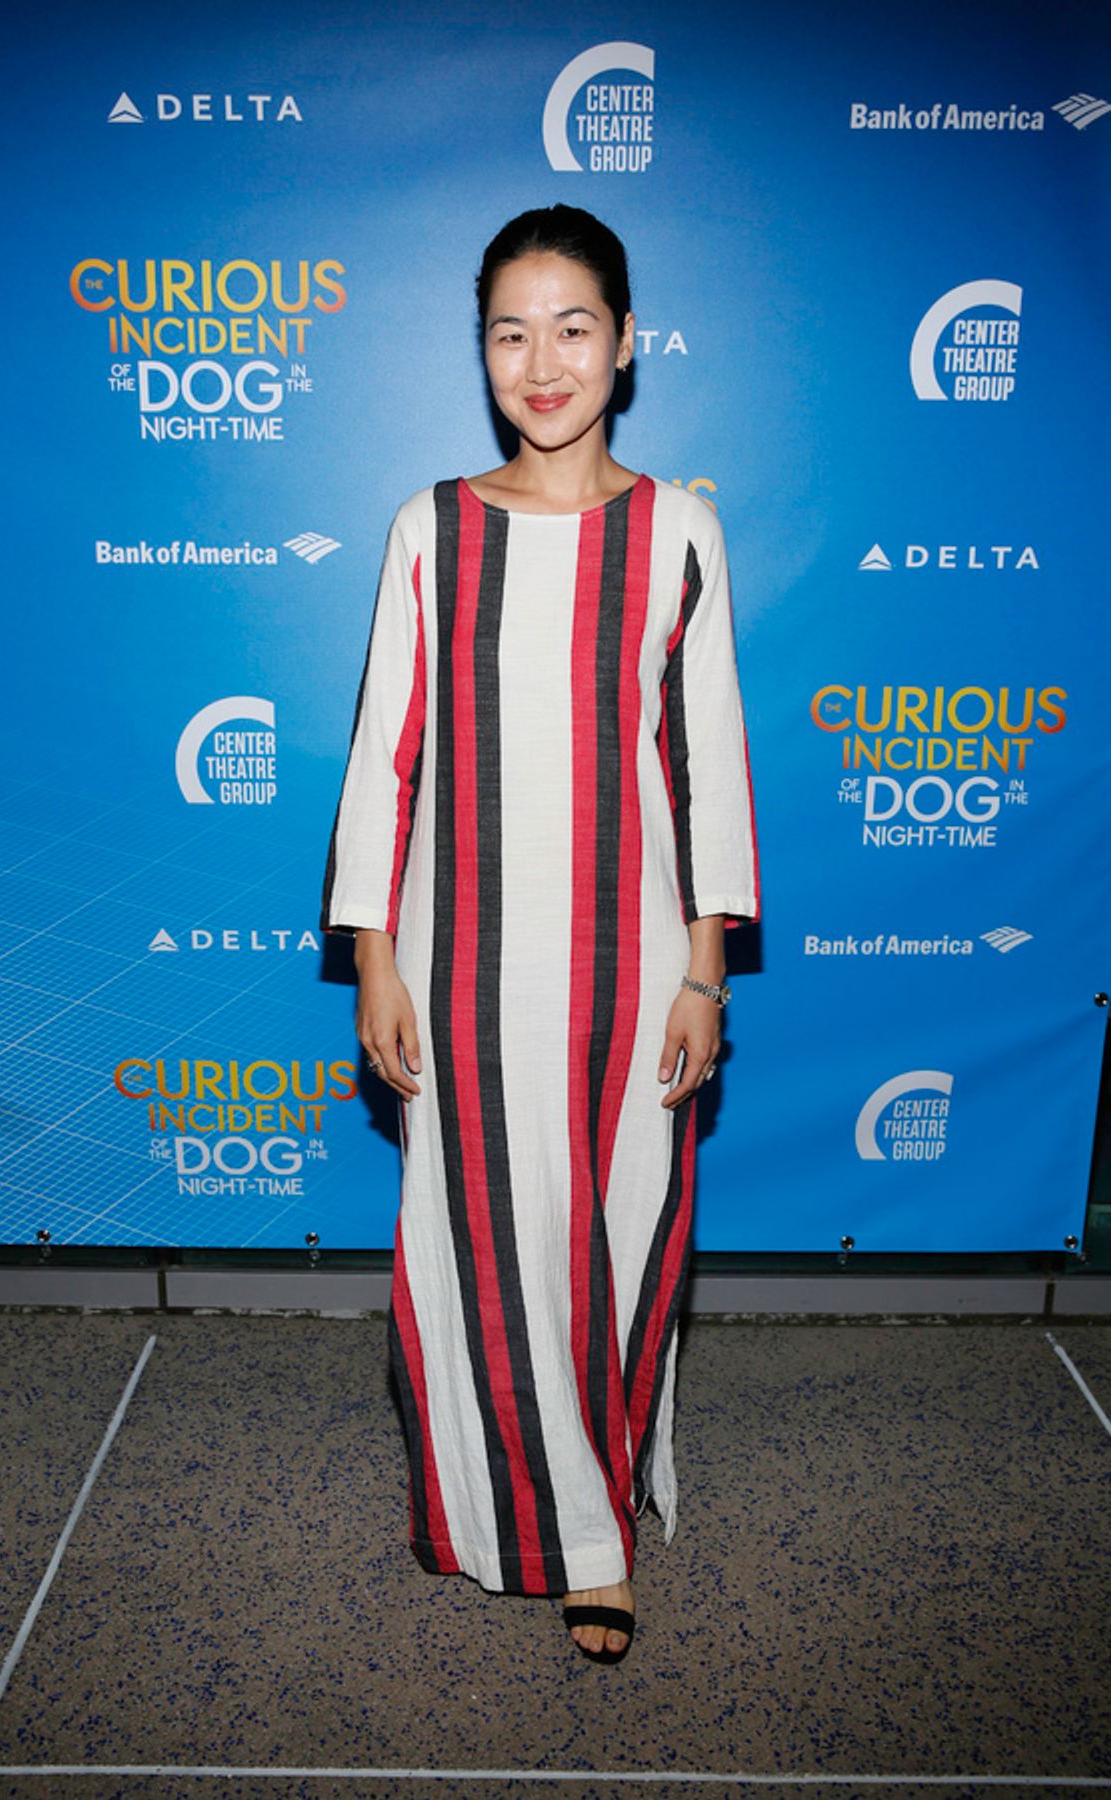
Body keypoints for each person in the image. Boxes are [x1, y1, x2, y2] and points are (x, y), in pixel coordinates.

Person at [320, 204, 759, 1664]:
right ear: (484, 351)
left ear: (626, 344)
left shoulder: (680, 532)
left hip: (634, 969)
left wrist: (704, 970)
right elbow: (384, 756)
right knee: (485, 1254)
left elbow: (706, 764)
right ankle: (570, 1537)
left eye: (574, 328)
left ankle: (601, 1492)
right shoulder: (431, 530)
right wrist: (376, 957)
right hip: (461, 966)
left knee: (617, 1240)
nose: (543, 361)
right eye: (511, 333)